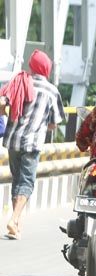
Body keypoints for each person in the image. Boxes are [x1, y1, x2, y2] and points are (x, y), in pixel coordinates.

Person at [0, 49, 64, 240]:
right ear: (46, 69)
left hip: (12, 141)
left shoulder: (19, 81)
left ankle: (17, 224)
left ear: (32, 66)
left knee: (17, 180)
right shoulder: (51, 91)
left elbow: (4, 102)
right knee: (26, 182)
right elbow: (55, 122)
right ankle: (14, 219)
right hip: (32, 143)